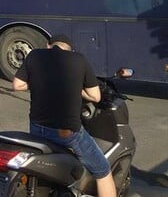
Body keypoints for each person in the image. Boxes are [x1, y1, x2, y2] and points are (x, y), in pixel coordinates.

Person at [12, 34, 116, 197]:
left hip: (37, 129)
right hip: (66, 133)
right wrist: (79, 90)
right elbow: (96, 96)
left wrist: (41, 83)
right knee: (103, 170)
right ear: (69, 49)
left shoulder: (34, 55)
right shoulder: (79, 59)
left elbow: (18, 85)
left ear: (49, 45)